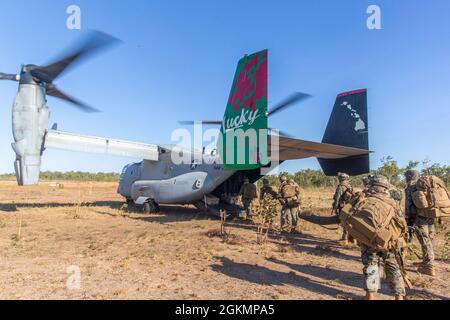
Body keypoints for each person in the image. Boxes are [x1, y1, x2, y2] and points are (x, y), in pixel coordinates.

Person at [358, 175, 408, 300]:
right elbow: (402, 223)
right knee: (393, 266)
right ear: (385, 187)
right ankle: (399, 296)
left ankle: (370, 295)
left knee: (371, 265)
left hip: (369, 239)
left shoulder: (364, 200)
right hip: (390, 241)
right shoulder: (393, 202)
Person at [404, 170, 436, 276]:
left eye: (406, 176)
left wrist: (408, 219)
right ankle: (427, 261)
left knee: (425, 241)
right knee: (429, 240)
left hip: (419, 218)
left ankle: (429, 266)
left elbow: (408, 206)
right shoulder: (426, 185)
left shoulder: (411, 187)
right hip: (431, 216)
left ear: (409, 177)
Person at [332, 173, 354, 245]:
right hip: (350, 206)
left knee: (344, 222)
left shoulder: (341, 186)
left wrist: (335, 207)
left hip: (343, 206)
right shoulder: (349, 185)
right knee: (348, 221)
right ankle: (350, 238)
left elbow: (337, 198)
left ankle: (345, 239)